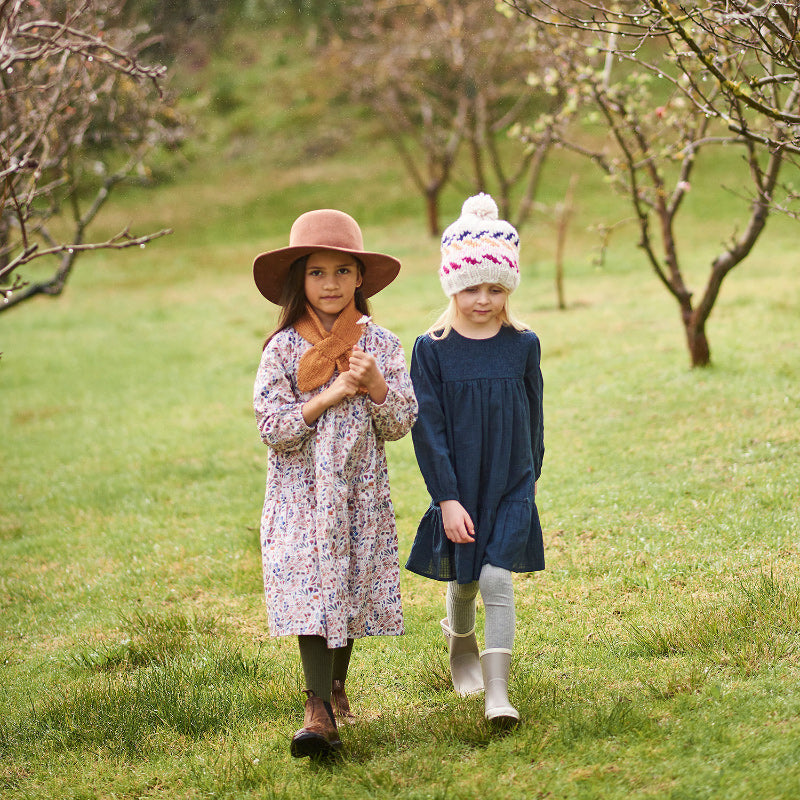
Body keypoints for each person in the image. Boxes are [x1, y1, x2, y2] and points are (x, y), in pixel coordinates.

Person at [252, 208, 418, 759]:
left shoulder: (383, 346)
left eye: (342, 272)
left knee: (344, 589)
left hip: (357, 495)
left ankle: (336, 684)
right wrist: (327, 395)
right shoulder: (281, 350)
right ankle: (317, 708)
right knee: (309, 592)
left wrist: (374, 387)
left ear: (359, 278)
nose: (330, 284)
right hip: (300, 497)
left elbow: (400, 424)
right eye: (317, 272)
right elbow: (273, 427)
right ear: (300, 280)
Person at [405, 193, 544, 728]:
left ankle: (498, 693)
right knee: (463, 583)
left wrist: (531, 477)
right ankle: (460, 640)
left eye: (494, 288)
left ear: (508, 287)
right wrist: (446, 497)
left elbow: (534, 414)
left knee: (495, 580)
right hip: (460, 485)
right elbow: (428, 428)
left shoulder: (523, 343)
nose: (482, 299)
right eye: (470, 288)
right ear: (451, 285)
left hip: (512, 482)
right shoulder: (432, 348)